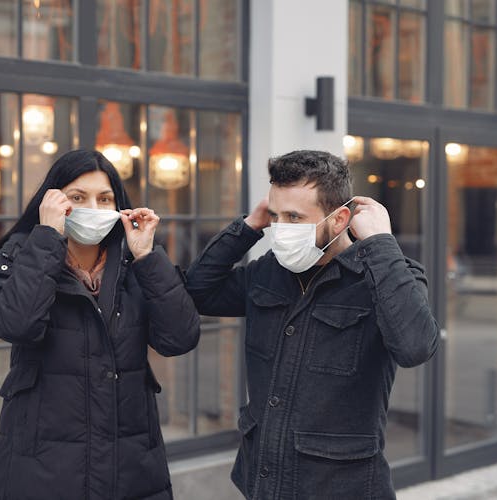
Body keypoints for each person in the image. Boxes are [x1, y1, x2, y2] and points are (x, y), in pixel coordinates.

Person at [185, 150, 439, 499]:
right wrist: (247, 228)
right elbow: (199, 291)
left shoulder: (385, 276)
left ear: (339, 219)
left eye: (295, 217)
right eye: (276, 215)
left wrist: (380, 243)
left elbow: (415, 347)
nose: (282, 229)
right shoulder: (268, 272)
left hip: (341, 489)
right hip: (263, 483)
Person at [0, 149, 200, 499]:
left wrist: (147, 256)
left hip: (130, 469)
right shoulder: (22, 256)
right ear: (53, 201)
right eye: (78, 197)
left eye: (105, 198)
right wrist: (48, 237)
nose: (94, 209)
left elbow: (180, 338)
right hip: (42, 471)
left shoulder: (135, 262)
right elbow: (16, 325)